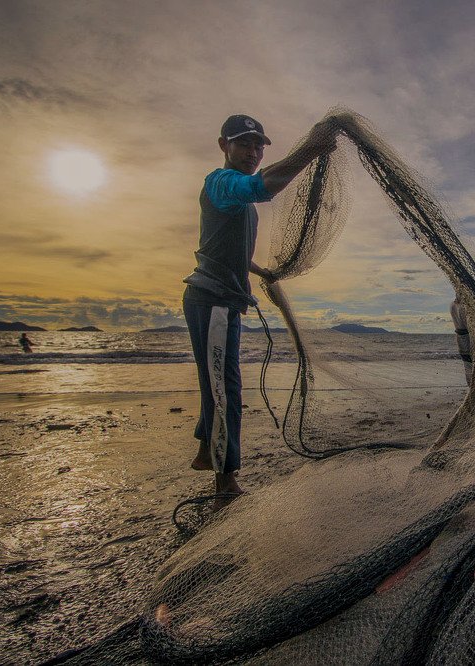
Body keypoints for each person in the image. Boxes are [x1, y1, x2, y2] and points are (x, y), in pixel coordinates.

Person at [182, 113, 336, 500]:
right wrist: (313, 148)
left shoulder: (240, 202)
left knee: (217, 382)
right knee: (224, 390)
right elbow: (262, 185)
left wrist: (259, 270)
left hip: (226, 303)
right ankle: (225, 482)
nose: (252, 152)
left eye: (258, 146)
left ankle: (207, 452)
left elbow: (220, 246)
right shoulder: (222, 183)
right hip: (211, 301)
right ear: (224, 146)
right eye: (244, 144)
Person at [450, 295, 473, 386]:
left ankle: (471, 390)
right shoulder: (464, 307)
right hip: (468, 341)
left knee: (468, 367)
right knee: (474, 368)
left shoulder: (452, 305)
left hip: (460, 341)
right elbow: (470, 327)